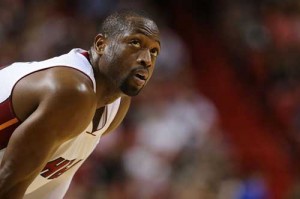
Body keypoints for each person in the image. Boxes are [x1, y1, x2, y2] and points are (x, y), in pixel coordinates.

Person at [0, 10, 161, 199]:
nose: (147, 59)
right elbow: (8, 183)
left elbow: (45, 181)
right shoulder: (71, 92)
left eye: (154, 51)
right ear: (101, 45)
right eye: (135, 43)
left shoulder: (117, 103)